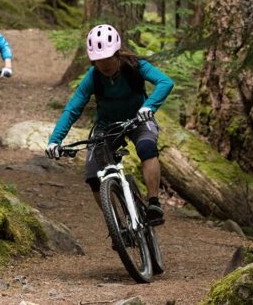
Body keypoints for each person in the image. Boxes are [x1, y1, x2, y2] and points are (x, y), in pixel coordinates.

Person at [45, 24, 174, 224]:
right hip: (107, 126)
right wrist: (55, 141)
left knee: (147, 147)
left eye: (107, 58)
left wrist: (148, 107)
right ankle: (116, 224)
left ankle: (154, 203)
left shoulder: (134, 66)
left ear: (117, 54)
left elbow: (165, 82)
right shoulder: (93, 76)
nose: (104, 65)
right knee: (93, 176)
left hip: (138, 120)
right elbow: (73, 108)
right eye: (98, 60)